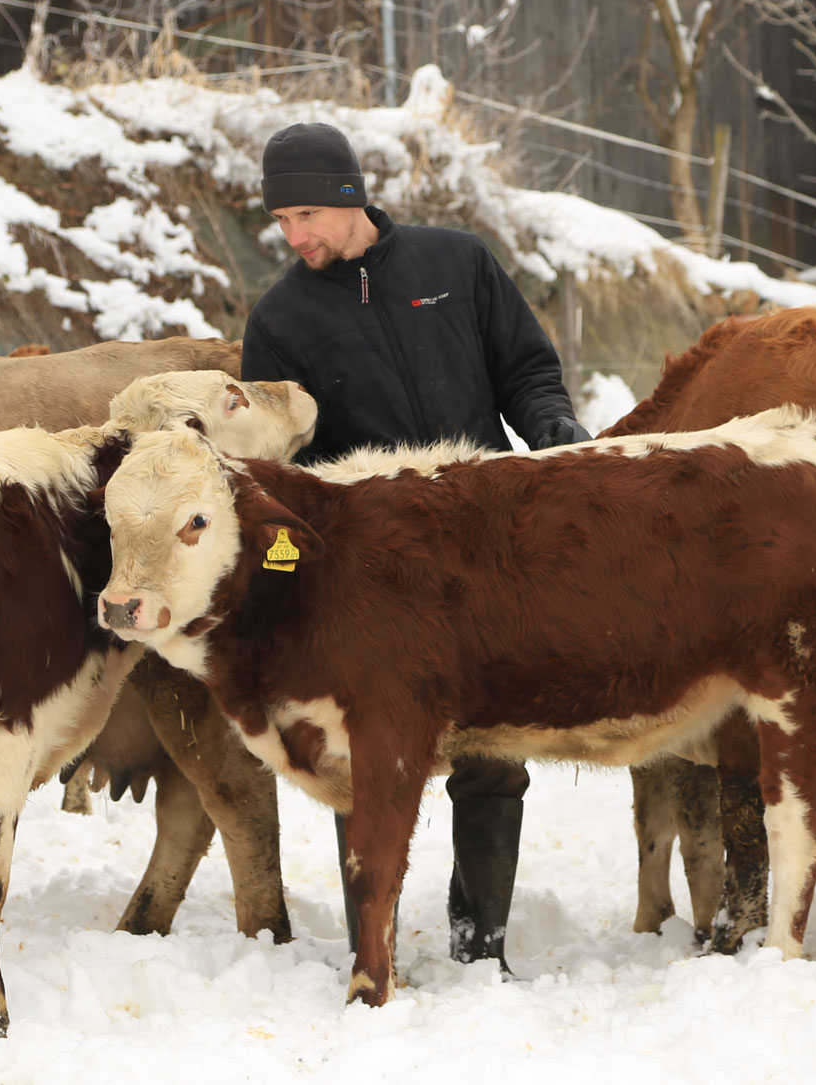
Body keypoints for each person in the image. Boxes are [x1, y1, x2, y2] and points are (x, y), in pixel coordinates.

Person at [238, 120, 590, 972]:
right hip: (369, 572)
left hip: (486, 543)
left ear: (353, 197)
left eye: (309, 214)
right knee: (363, 755)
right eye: (283, 220)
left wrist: (553, 432)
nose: (296, 236)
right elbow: (275, 464)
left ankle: (483, 940)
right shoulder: (280, 320)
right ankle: (375, 934)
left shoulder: (455, 264)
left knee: (493, 747)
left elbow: (527, 371)